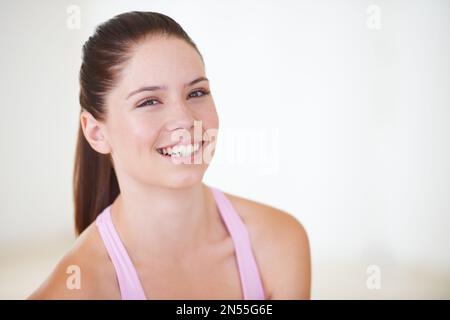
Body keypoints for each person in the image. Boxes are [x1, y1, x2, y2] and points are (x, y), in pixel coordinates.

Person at [29, 11, 310, 300]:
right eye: (149, 101)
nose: (186, 120)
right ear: (96, 133)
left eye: (196, 93)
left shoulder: (279, 242)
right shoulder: (78, 288)